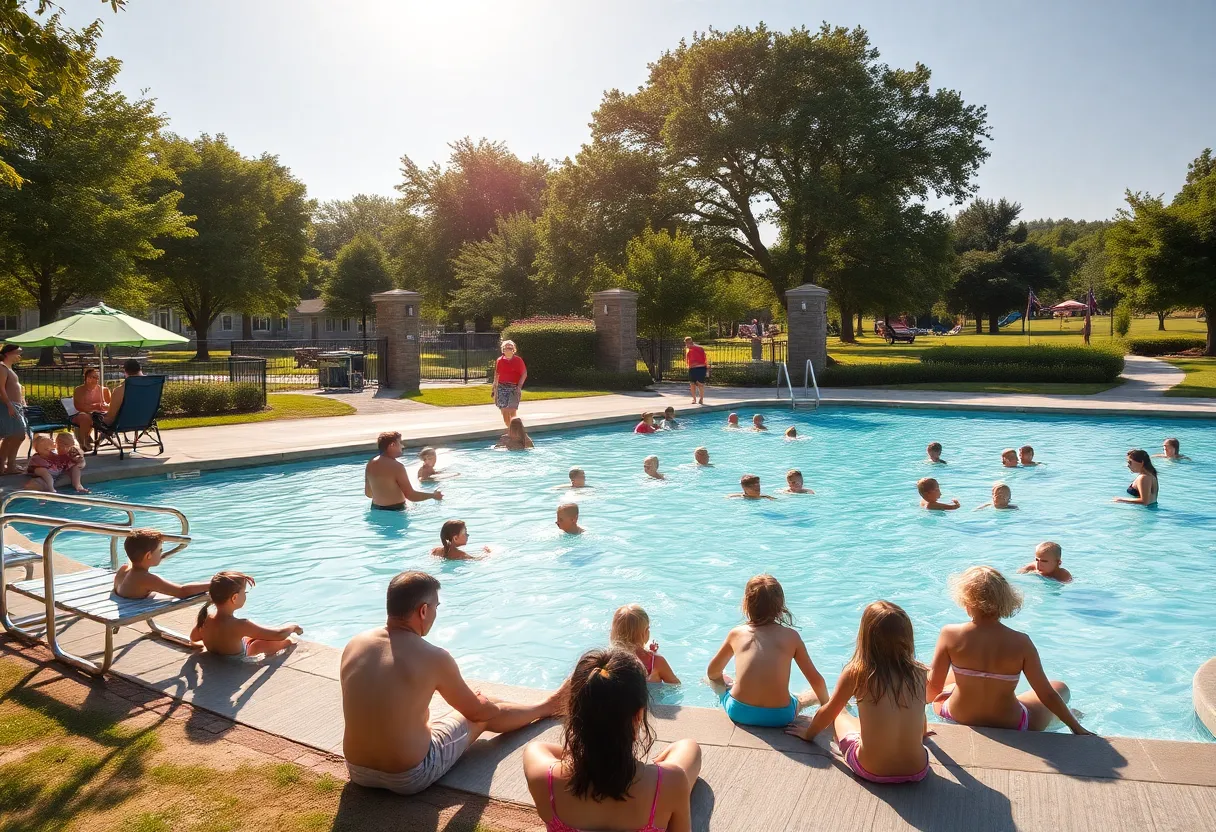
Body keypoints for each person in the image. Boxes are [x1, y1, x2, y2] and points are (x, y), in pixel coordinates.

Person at [342, 571, 561, 795]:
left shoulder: (355, 644)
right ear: (423, 610)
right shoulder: (433, 657)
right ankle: (548, 706)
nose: (435, 614)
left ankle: (542, 706)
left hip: (357, 770)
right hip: (409, 776)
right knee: (483, 710)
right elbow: (477, 714)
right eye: (436, 607)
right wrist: (487, 705)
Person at [523, 648, 701, 832]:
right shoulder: (672, 782)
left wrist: (591, 751)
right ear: (638, 717)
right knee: (690, 748)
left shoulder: (543, 777)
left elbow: (539, 748)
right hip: (655, 784)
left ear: (573, 713)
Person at [927, 566, 1090, 734]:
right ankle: (1069, 717)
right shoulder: (1021, 642)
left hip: (956, 716)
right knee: (1059, 687)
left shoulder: (949, 634)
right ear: (1006, 600)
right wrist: (1076, 727)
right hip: (1012, 723)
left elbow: (934, 687)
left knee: (953, 678)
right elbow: (1046, 694)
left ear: (966, 601)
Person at [786, 601, 931, 785]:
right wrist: (923, 733)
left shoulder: (858, 673)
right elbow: (920, 710)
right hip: (917, 769)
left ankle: (843, 709)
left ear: (866, 637)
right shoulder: (919, 672)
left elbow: (828, 712)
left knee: (839, 713)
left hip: (871, 770)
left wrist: (808, 734)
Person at [707, 574, 829, 727]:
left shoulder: (737, 634)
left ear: (746, 604)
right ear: (780, 607)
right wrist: (827, 712)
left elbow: (712, 672)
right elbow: (817, 681)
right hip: (780, 716)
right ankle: (812, 700)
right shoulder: (792, 637)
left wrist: (723, 686)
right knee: (806, 696)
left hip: (739, 712)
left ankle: (734, 685)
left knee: (714, 680)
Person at [190, 571, 303, 658]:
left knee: (250, 637)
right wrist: (292, 627)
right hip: (239, 658)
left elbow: (193, 637)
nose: (245, 595)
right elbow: (279, 635)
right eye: (244, 592)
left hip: (223, 653)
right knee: (284, 641)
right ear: (234, 598)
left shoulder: (206, 619)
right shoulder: (240, 625)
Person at [113, 529, 210, 600]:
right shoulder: (145, 578)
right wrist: (212, 584)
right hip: (131, 611)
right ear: (148, 555)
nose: (161, 554)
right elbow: (182, 592)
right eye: (160, 551)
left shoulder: (124, 569)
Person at [365, 431, 443, 511]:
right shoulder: (397, 467)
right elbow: (411, 495)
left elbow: (368, 494)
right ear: (392, 445)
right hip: (396, 511)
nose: (402, 446)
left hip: (375, 509)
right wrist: (433, 495)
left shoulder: (370, 464)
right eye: (400, 443)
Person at [610, 604, 680, 684]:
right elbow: (676, 685)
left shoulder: (609, 660)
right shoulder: (656, 663)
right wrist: (654, 656)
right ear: (644, 632)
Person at [0, 343, 26, 475]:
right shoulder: (2, 367)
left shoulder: (9, 368)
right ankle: (10, 465)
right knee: (18, 435)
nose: (19, 356)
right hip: (8, 406)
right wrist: (9, 405)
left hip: (15, 406)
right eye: (18, 353)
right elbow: (1, 389)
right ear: (8, 354)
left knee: (12, 436)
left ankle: (7, 465)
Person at [71, 367, 110, 451]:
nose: (97, 379)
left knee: (112, 416)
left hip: (100, 414)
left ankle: (99, 440)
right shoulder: (79, 390)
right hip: (83, 414)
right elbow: (79, 407)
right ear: (87, 378)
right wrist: (96, 406)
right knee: (85, 417)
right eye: (94, 377)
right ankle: (84, 442)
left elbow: (110, 405)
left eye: (97, 377)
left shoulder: (104, 390)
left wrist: (103, 406)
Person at [492, 339, 527, 427]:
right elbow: (497, 374)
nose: (508, 349)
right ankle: (509, 429)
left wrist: (519, 386)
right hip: (501, 386)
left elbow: (524, 373)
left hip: (514, 387)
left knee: (512, 410)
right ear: (503, 349)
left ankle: (516, 430)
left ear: (513, 349)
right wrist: (494, 389)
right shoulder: (500, 360)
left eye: (510, 347)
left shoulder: (518, 360)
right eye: (506, 347)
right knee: (504, 410)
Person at [103, 358, 145, 426]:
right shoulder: (152, 385)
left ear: (125, 372)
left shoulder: (120, 390)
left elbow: (111, 417)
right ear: (140, 369)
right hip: (146, 420)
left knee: (96, 418)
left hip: (124, 423)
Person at [684, 335, 708, 405]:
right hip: (692, 368)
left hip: (700, 368)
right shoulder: (688, 349)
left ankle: (701, 399)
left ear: (690, 342)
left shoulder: (699, 348)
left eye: (687, 343)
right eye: (685, 343)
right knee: (692, 384)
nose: (686, 345)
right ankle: (694, 399)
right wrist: (689, 365)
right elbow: (688, 359)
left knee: (700, 384)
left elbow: (704, 358)